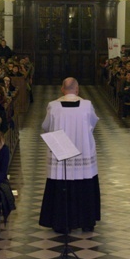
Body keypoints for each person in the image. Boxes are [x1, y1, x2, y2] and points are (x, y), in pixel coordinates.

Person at [39, 77, 101, 233]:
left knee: (61, 185)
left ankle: (61, 223)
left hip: (61, 154)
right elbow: (93, 124)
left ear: (62, 89)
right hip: (83, 152)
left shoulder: (53, 106)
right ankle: (86, 222)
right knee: (85, 184)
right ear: (77, 89)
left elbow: (46, 126)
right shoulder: (87, 105)